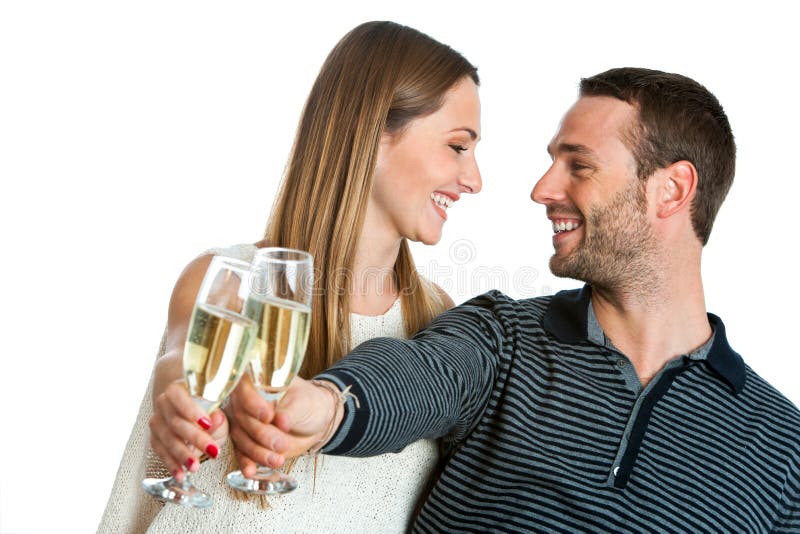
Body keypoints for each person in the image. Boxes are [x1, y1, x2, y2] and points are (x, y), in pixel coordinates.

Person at [229, 67, 800, 533]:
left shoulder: (784, 452)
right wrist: (330, 406)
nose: (542, 190)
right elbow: (421, 374)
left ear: (671, 190)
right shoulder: (503, 337)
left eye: (579, 165)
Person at [98, 21, 482, 533]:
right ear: (373, 134)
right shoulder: (229, 278)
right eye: (458, 147)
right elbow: (181, 362)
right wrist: (182, 407)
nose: (475, 179)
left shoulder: (438, 322)